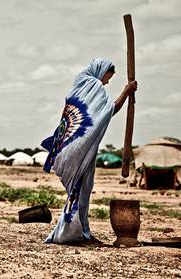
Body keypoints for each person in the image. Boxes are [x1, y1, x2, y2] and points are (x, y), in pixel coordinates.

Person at [41, 58, 137, 245]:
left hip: (66, 147)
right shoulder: (93, 85)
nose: (107, 82)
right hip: (78, 150)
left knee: (79, 192)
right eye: (107, 78)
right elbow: (108, 111)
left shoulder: (80, 82)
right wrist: (126, 93)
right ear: (101, 71)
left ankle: (81, 231)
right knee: (80, 191)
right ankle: (74, 234)